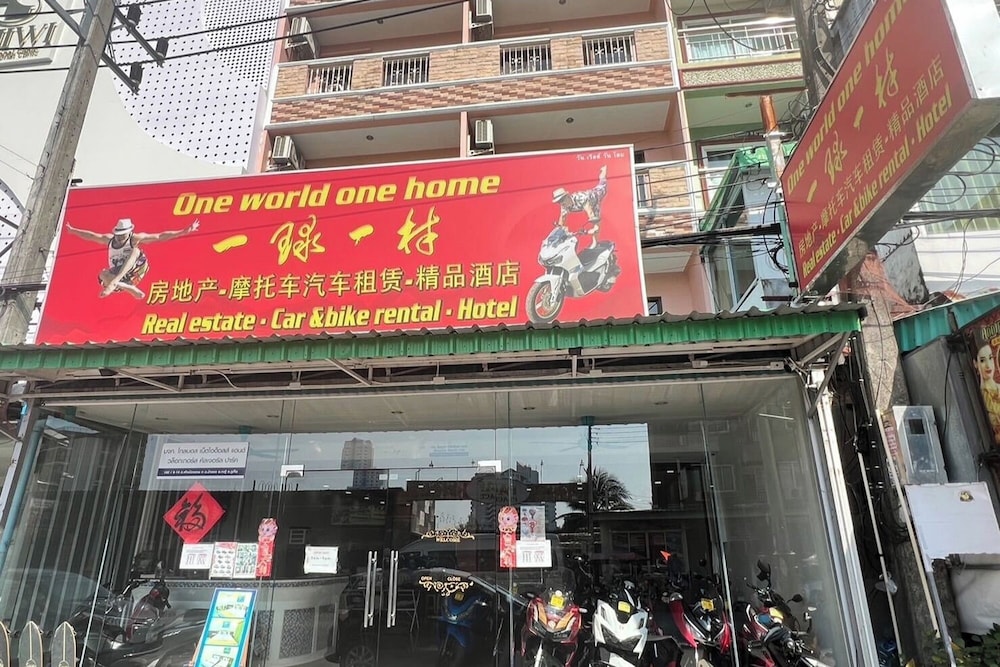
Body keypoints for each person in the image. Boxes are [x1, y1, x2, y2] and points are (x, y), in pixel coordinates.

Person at [65, 217, 199, 300]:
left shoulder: (135, 239)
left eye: (123, 235)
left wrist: (183, 232)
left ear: (129, 233)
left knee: (135, 250)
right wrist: (73, 230)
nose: (120, 238)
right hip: (120, 281)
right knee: (102, 274)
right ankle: (124, 286)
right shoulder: (109, 240)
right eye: (118, 235)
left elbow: (159, 236)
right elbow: (91, 236)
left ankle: (116, 282)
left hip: (136, 271)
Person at [552, 165, 608, 249]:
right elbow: (562, 219)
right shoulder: (564, 205)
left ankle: (604, 170)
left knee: (602, 184)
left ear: (567, 196)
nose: (561, 203)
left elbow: (590, 213)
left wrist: (594, 227)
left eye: (562, 200)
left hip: (595, 198)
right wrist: (558, 232)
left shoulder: (581, 198)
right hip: (588, 198)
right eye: (559, 202)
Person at [974, 341, 1000, 444]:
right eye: (982, 360)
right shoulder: (977, 397)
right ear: (975, 364)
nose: (988, 365)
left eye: (990, 358)